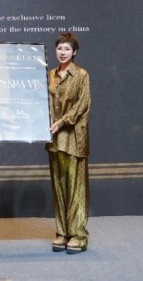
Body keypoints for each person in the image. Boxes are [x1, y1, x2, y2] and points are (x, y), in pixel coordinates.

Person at [46, 32, 91, 254]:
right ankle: (62, 232)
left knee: (76, 188)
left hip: (73, 138)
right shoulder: (50, 75)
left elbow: (82, 105)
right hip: (54, 140)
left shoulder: (82, 75)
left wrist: (62, 121)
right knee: (59, 186)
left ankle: (79, 235)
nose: (62, 52)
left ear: (74, 52)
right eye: (59, 48)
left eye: (67, 49)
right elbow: (43, 103)